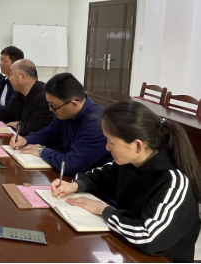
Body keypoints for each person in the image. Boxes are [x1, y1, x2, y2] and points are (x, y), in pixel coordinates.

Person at [51, 101, 201, 263]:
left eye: (111, 142)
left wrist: (104, 210)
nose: (107, 148)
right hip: (127, 249)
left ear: (137, 145)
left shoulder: (173, 181)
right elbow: (100, 176)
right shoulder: (130, 161)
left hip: (159, 258)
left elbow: (147, 237)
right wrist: (74, 185)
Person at [10, 73, 113, 176]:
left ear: (73, 104)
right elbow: (48, 134)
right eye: (49, 104)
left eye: (53, 105)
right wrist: (26, 139)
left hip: (91, 181)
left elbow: (71, 164)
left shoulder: (97, 124)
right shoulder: (65, 112)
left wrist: (41, 150)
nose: (50, 109)